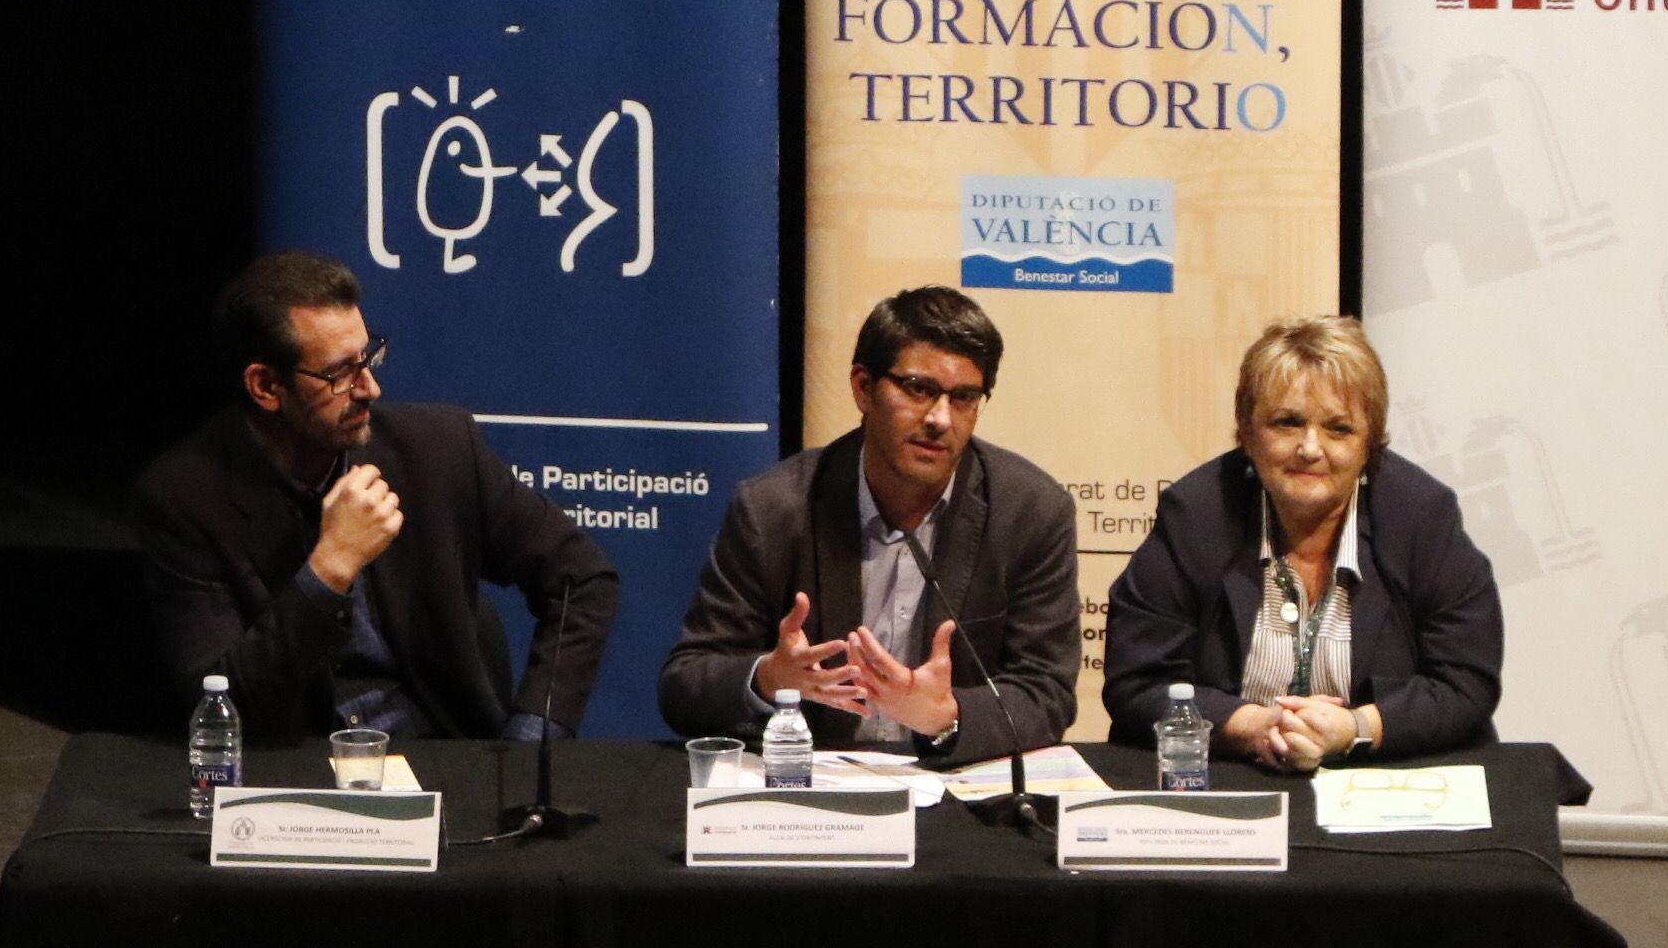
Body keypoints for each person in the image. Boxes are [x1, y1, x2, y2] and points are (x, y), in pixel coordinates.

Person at [132, 251, 616, 746]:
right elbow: (221, 709)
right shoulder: (186, 498)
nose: (371, 388)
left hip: (440, 753)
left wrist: (531, 738)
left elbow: (582, 578)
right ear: (266, 386)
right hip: (293, 766)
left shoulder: (438, 449)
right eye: (340, 373)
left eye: (368, 357)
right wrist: (330, 568)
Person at [660, 288, 1078, 762]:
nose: (940, 419)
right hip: (814, 787)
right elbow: (685, 683)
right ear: (863, 388)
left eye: (963, 397)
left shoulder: (1031, 513)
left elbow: (1046, 692)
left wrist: (947, 716)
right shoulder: (774, 509)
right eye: (918, 389)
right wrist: (769, 679)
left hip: (953, 785)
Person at [1099, 316, 1501, 769]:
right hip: (1233, 776)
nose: (1310, 448)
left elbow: (1465, 683)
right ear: (1246, 434)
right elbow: (1138, 681)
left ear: (1370, 444)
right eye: (1287, 423)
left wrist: (1353, 728)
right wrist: (1254, 726)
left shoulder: (1423, 517)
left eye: (1338, 429)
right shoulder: (1196, 515)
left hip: (1387, 779)